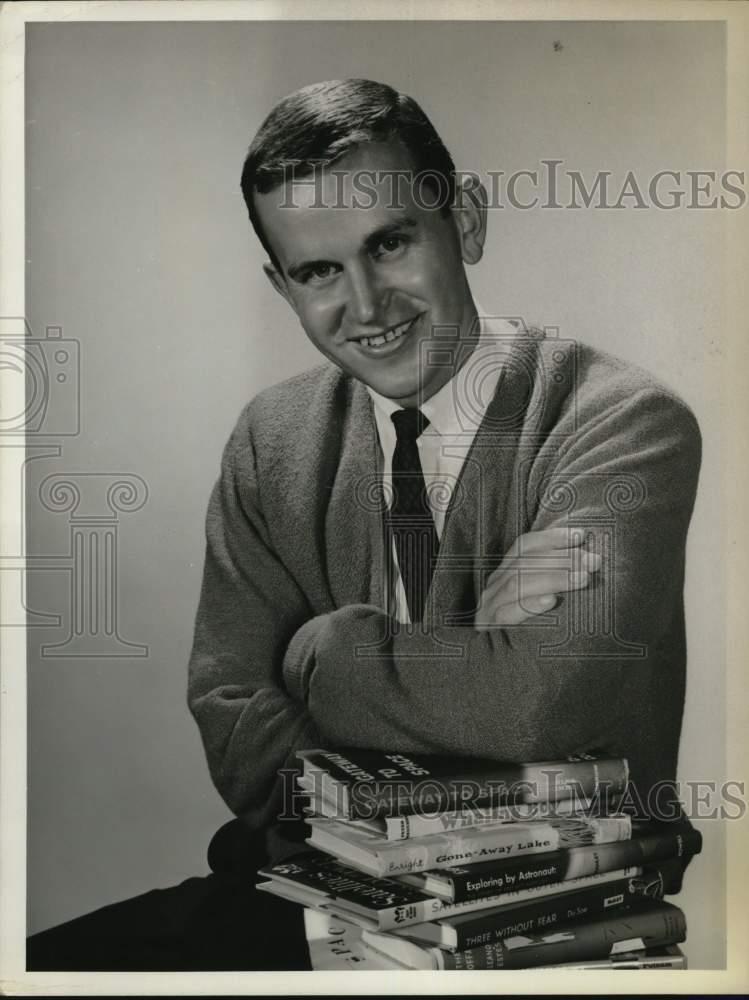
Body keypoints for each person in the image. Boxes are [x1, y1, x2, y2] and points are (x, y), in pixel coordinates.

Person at [26, 77, 701, 972]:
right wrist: (473, 660)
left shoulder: (619, 422)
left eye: (388, 243)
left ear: (462, 221)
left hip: (551, 920)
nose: (368, 305)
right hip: (313, 895)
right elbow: (231, 722)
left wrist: (323, 653)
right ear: (281, 285)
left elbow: (545, 699)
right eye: (318, 272)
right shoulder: (271, 440)